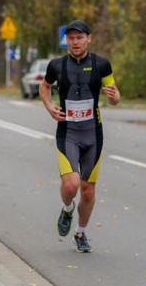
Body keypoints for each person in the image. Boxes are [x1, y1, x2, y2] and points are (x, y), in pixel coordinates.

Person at [39, 19, 121, 253]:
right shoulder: (56, 65)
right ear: (66, 40)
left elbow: (115, 98)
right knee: (71, 185)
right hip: (68, 132)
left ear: (88, 39)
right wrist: (49, 105)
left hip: (93, 134)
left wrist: (114, 96)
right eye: (71, 38)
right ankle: (67, 209)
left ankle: (81, 232)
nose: (75, 42)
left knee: (88, 189)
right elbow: (44, 87)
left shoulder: (101, 64)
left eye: (79, 38)